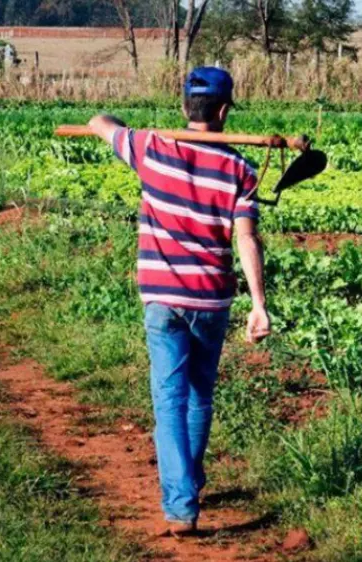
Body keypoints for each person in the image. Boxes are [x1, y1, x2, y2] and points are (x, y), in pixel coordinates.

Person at [88, 67, 270, 537]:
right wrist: (259, 304)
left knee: (170, 400)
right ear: (225, 111)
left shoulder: (150, 147)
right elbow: (247, 239)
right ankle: (186, 486)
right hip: (212, 298)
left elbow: (98, 121)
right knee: (198, 397)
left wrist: (117, 122)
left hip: (162, 298)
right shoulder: (240, 169)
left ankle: (181, 504)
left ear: (183, 108)